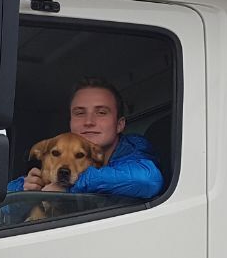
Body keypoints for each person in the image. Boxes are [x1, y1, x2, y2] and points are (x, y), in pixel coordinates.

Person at [8, 79, 164, 200]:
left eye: (101, 112)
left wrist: (69, 186)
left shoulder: (134, 151)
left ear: (119, 124)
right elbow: (3, 199)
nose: (89, 122)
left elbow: (147, 181)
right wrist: (26, 190)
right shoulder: (59, 163)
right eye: (79, 113)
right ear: (70, 123)